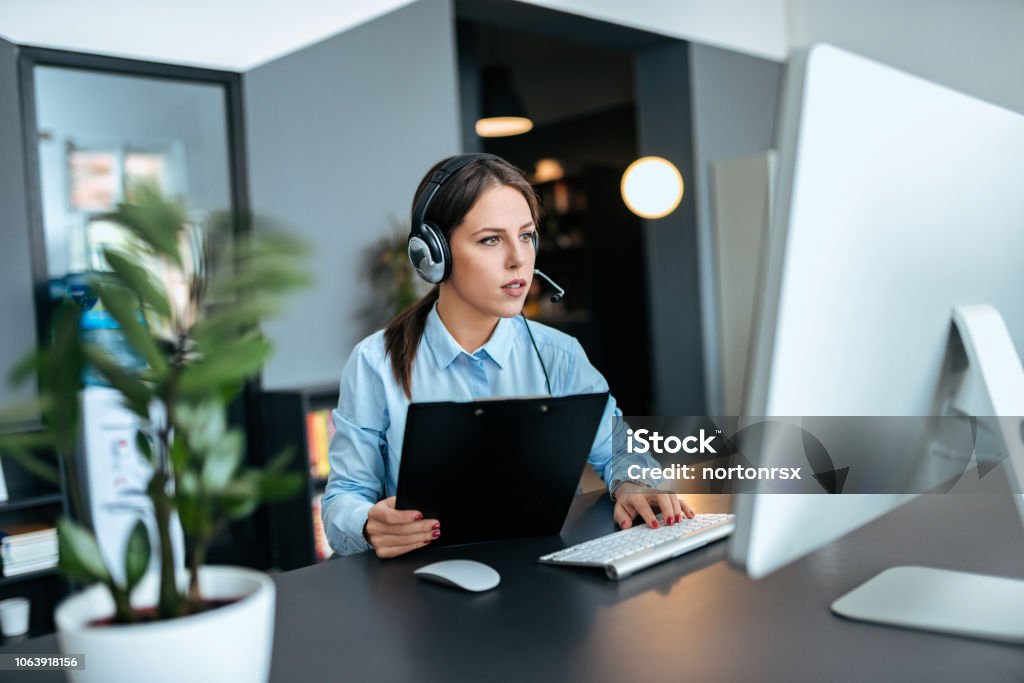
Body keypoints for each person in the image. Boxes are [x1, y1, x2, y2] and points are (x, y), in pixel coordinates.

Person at [321, 153, 694, 558]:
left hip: (547, 576)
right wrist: (367, 522)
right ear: (433, 255)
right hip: (423, 586)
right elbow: (344, 498)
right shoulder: (375, 362)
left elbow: (620, 450)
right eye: (491, 239)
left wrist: (634, 484)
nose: (519, 259)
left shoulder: (560, 355)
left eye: (527, 236)